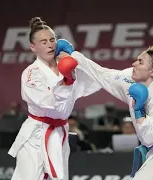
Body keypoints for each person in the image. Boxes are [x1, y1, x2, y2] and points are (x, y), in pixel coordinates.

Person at [55, 39, 153, 179]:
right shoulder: (131, 79)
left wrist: (139, 110)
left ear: (152, 71)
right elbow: (103, 75)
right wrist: (74, 55)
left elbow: (151, 137)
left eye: (140, 62)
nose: (134, 63)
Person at [8, 17, 101, 180]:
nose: (50, 44)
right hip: (36, 135)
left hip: (59, 133)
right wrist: (66, 80)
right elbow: (50, 103)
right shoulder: (31, 73)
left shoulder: (68, 66)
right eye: (43, 42)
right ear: (33, 47)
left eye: (52, 40)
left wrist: (73, 58)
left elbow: (95, 80)